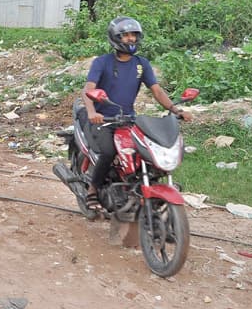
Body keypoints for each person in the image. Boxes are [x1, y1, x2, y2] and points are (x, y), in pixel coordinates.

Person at [81, 16, 193, 217]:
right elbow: (88, 90)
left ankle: (139, 190)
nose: (130, 39)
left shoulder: (141, 64)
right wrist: (92, 112)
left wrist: (176, 110)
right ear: (116, 38)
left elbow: (157, 91)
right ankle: (92, 191)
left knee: (144, 153)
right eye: (125, 35)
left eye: (134, 35)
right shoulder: (102, 62)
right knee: (108, 152)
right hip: (104, 120)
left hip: (128, 119)